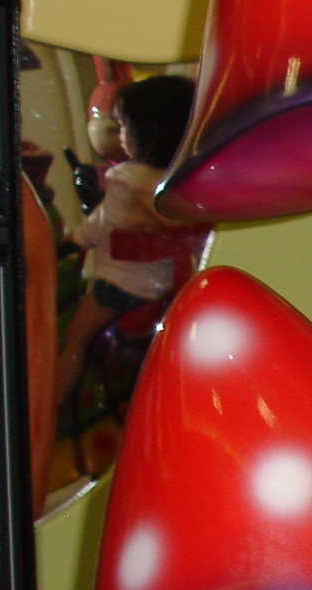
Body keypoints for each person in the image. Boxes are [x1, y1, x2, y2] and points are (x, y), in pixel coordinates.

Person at [54, 74, 202, 407]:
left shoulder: (126, 180)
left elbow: (99, 224)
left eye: (122, 127)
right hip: (173, 284)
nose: (120, 136)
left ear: (146, 132)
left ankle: (54, 402)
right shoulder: (184, 184)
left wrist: (70, 243)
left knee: (75, 337)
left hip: (122, 287)